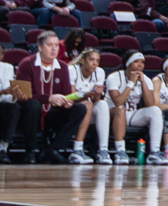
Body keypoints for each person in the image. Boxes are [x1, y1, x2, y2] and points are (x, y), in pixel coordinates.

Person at [14, 32, 79, 163]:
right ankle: (30, 151)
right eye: (50, 45)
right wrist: (48, 98)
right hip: (30, 114)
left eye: (56, 45)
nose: (54, 49)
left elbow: (66, 94)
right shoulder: (26, 64)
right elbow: (23, 94)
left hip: (52, 114)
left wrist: (67, 101)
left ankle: (53, 149)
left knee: (79, 109)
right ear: (40, 47)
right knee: (33, 105)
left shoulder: (63, 67)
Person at [68, 47, 109, 161]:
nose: (95, 63)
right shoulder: (72, 70)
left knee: (102, 105)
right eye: (92, 60)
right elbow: (71, 97)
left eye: (97, 60)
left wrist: (96, 93)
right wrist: (89, 94)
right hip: (71, 109)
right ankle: (77, 149)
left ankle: (103, 150)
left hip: (87, 111)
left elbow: (96, 100)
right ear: (83, 60)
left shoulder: (100, 72)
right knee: (87, 104)